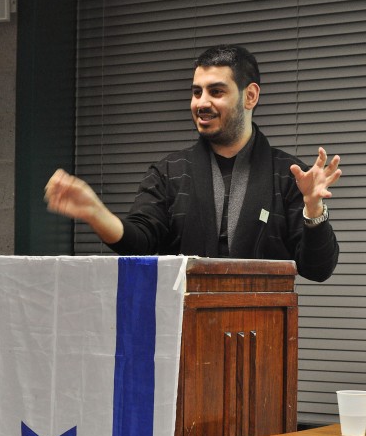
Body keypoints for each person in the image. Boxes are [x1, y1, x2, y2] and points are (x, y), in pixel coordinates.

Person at [44, 44, 341, 282]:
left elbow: (318, 269)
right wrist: (96, 214)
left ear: (250, 96)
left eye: (216, 91)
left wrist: (313, 209)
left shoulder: (289, 175)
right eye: (196, 92)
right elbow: (139, 242)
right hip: (184, 326)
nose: (201, 103)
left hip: (263, 329)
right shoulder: (169, 172)